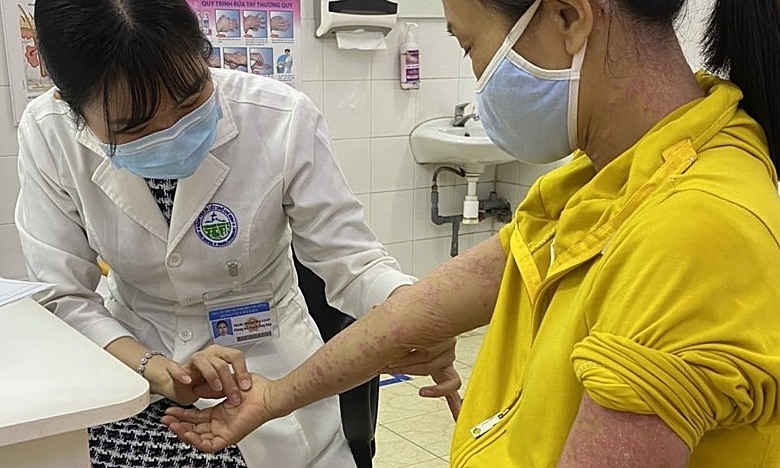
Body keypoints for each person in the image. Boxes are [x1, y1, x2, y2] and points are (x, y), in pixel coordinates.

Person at [163, 0, 780, 466]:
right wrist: (272, 398)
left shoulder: (693, 228)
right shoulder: (604, 177)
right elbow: (423, 310)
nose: (480, 77)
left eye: (469, 45)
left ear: (569, 18)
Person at [16, 0, 459, 467]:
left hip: (264, 366)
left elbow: (353, 263)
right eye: (137, 127)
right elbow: (64, 295)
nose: (173, 131)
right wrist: (153, 369)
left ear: (203, 52)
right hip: (133, 361)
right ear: (69, 104)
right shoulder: (48, 133)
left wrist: (415, 314)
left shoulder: (279, 116)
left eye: (191, 100)